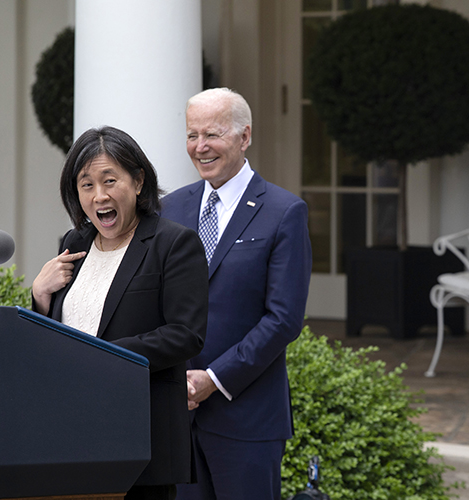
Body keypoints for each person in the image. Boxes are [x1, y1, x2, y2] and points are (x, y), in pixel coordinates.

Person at [32, 126, 208, 500]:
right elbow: (52, 340)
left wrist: (100, 358)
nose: (100, 196)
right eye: (86, 185)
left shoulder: (173, 243)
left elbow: (185, 333)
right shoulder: (74, 243)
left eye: (110, 180)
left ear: (139, 181)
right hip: (70, 432)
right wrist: (40, 296)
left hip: (139, 436)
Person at [160, 88, 312, 500]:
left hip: (247, 421)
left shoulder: (284, 212)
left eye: (212, 134)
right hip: (176, 418)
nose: (200, 147)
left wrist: (213, 379)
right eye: (192, 135)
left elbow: (283, 319)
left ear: (245, 137)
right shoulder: (168, 209)